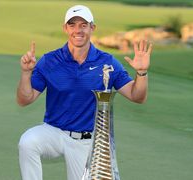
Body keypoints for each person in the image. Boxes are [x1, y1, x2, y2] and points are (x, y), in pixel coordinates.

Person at [16, 4, 152, 180]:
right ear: (65, 28)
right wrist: (26, 73)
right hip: (53, 132)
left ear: (92, 28)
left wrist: (141, 72)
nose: (77, 30)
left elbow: (137, 96)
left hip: (85, 141)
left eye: (83, 25)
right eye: (72, 25)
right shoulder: (49, 60)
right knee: (27, 142)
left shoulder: (107, 62)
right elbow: (24, 99)